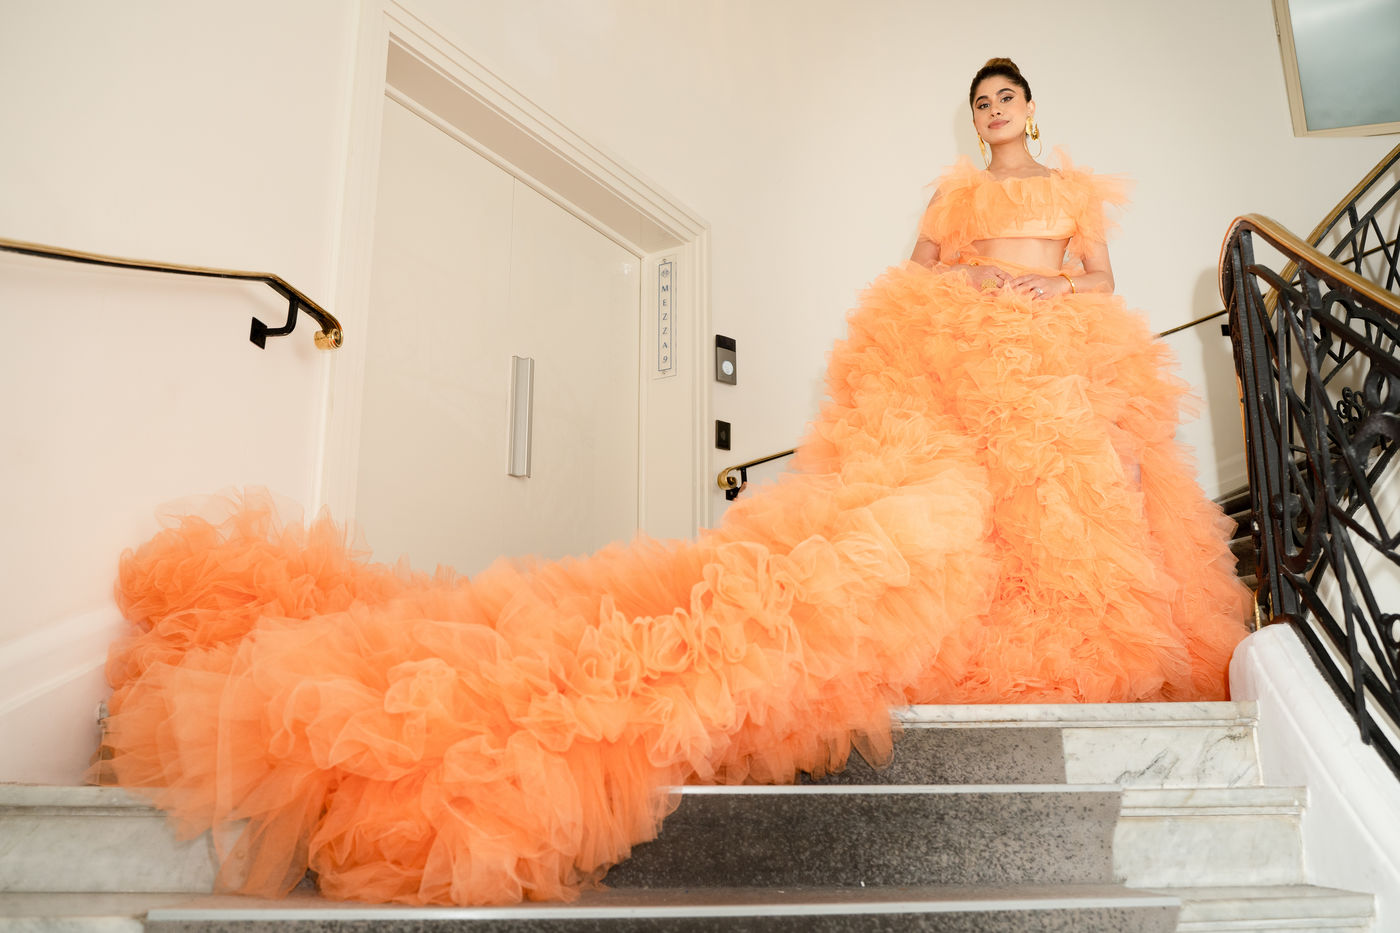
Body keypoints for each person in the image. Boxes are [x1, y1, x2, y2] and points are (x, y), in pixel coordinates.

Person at [98, 57, 1250, 907]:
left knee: (1061, 505)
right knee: (935, 519)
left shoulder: (1073, 191)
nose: (994, 112)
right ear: (976, 117)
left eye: (1006, 99)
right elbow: (918, 276)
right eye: (981, 101)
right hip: (969, 350)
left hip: (1050, 353)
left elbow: (1097, 281)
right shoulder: (954, 197)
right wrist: (981, 291)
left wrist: (1043, 295)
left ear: (1032, 110)